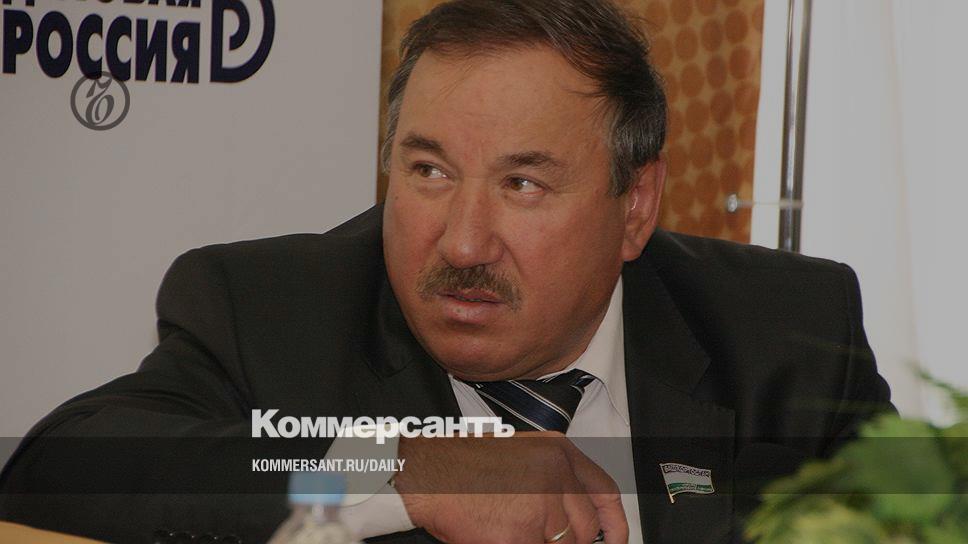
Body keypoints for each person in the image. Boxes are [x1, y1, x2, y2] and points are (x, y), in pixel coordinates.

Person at [0, 0, 892, 543]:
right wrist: (403, 467)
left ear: (635, 206)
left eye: (523, 183)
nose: (463, 244)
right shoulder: (269, 314)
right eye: (428, 171)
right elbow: (64, 465)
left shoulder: (789, 332)